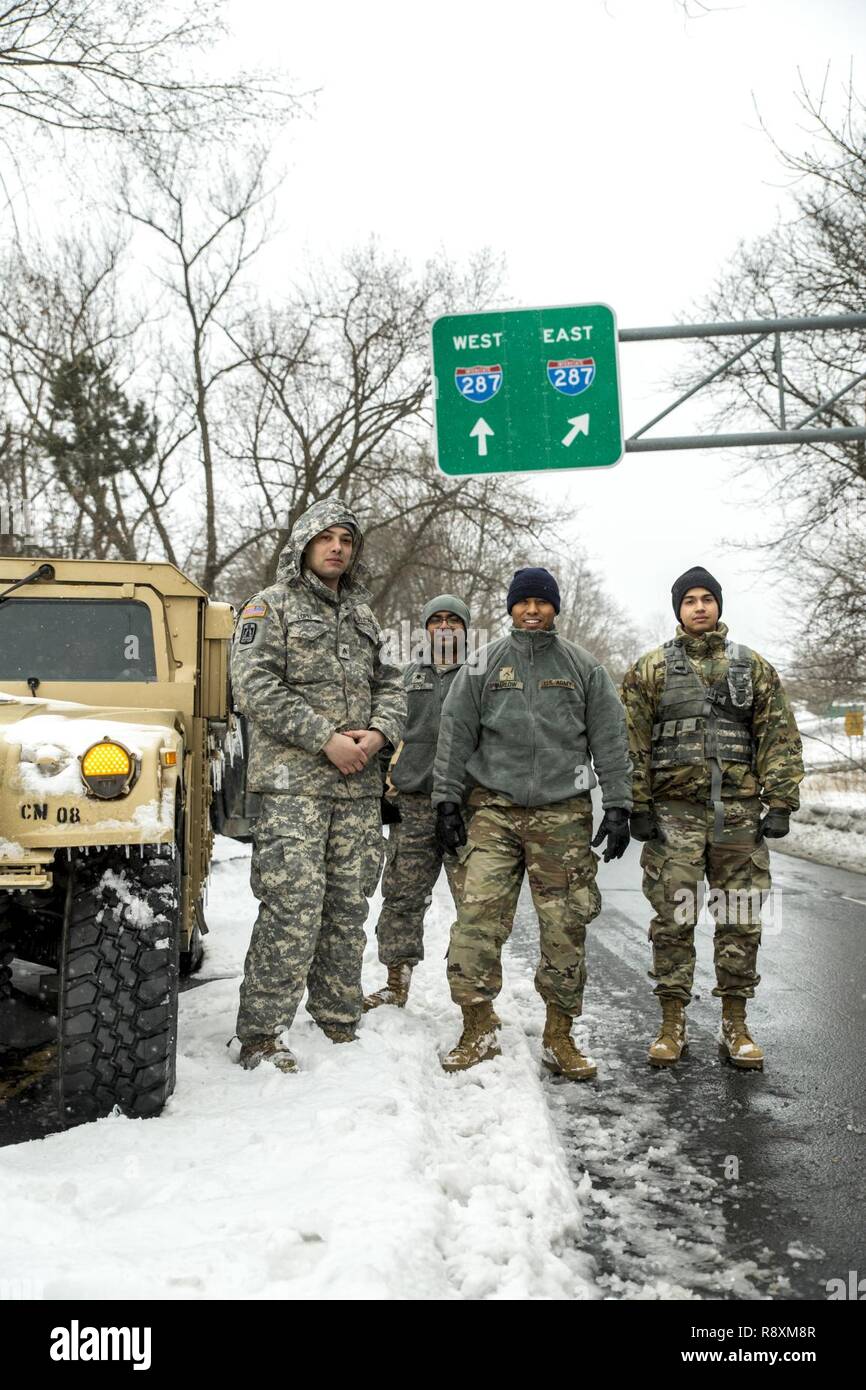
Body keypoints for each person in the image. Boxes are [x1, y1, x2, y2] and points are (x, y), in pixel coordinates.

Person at [432, 567, 633, 1079]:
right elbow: (455, 734)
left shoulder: (583, 668)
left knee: (565, 926)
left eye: (542, 603)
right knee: (477, 920)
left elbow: (610, 739)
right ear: (511, 608)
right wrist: (447, 803)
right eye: (523, 602)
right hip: (492, 810)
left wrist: (618, 804)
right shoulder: (481, 666)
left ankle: (559, 1036)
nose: (532, 610)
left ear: (555, 609)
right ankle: (477, 1026)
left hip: (561, 814)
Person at [230, 500, 406, 1073]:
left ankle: (337, 1016)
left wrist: (379, 733)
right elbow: (253, 686)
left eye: (346, 540)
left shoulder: (362, 614)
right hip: (295, 789)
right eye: (325, 538)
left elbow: (393, 684)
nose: (337, 547)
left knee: (347, 906)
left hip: (357, 791)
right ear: (304, 543)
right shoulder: (269, 606)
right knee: (292, 909)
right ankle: (261, 1033)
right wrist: (325, 738)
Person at [620, 566, 804, 1070]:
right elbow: (629, 740)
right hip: (674, 814)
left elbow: (779, 735)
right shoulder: (651, 669)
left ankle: (735, 1023)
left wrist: (781, 801)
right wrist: (635, 804)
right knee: (674, 918)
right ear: (677, 609)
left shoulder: (753, 668)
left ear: (719, 605)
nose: (699, 607)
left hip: (739, 815)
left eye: (707, 599)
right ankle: (672, 1022)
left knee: (740, 918)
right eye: (689, 601)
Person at [364, 594, 472, 1012]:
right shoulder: (404, 678)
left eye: (453, 620)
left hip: (466, 808)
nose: (445, 626)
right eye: (436, 620)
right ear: (426, 628)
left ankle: (472, 992)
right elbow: (382, 735)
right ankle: (396, 982)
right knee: (402, 897)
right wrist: (382, 792)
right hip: (412, 807)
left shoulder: (479, 676)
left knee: (476, 905)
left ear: (464, 628)